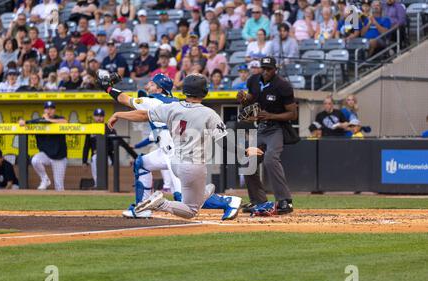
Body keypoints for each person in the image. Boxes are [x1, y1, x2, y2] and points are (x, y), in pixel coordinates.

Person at [99, 72, 241, 220]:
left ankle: (226, 201)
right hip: (170, 151)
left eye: (153, 84)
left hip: (177, 153)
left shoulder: (154, 101)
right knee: (142, 164)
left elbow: (125, 100)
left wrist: (108, 88)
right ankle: (142, 207)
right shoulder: (176, 102)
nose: (148, 86)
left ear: (160, 89)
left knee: (184, 200)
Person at [236, 56, 297, 216]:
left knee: (270, 159)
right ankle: (259, 201)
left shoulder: (282, 86)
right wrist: (243, 99)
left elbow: (293, 114)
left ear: (275, 70)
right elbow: (250, 99)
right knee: (248, 161)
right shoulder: (254, 80)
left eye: (269, 69)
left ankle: (285, 201)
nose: (266, 71)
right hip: (261, 129)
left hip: (276, 128)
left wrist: (270, 115)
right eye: (264, 68)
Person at [82, 108, 138, 188]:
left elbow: (118, 143)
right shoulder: (90, 128)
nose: (99, 118)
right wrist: (84, 161)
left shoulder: (109, 128)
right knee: (95, 158)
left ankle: (102, 185)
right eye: (97, 116)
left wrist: (134, 156)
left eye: (101, 116)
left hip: (108, 156)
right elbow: (86, 146)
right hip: (95, 156)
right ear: (94, 117)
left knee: (97, 159)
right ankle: (97, 184)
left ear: (104, 117)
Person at [19, 101, 68, 191]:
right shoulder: (39, 121)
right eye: (47, 108)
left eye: (51, 108)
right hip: (46, 155)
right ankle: (45, 179)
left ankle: (60, 203)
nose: (49, 110)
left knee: (59, 186)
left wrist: (49, 120)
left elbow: (65, 122)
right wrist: (23, 122)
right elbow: (26, 123)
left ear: (54, 110)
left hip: (59, 157)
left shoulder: (59, 119)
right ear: (44, 110)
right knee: (35, 160)